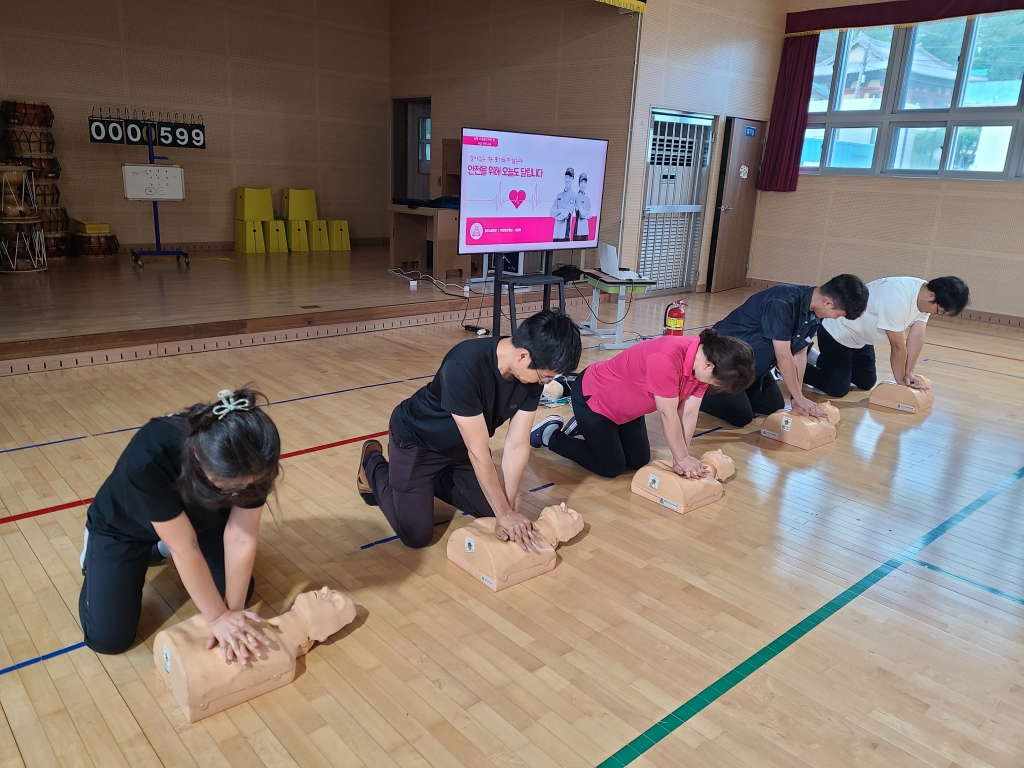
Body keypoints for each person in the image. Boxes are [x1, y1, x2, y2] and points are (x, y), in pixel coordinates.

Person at [79, 388, 281, 660]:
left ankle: (158, 549)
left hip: (199, 522)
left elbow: (241, 537)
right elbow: (185, 548)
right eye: (233, 485)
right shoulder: (151, 452)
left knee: (235, 598)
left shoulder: (257, 454)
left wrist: (231, 615)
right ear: (200, 459)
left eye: (251, 483)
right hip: (124, 528)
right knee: (108, 640)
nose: (244, 489)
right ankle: (97, 555)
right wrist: (217, 617)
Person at [358, 311, 582, 550]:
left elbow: (517, 445)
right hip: (419, 443)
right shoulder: (464, 365)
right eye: (545, 377)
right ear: (523, 355)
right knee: (416, 535)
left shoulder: (530, 375)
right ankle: (372, 463)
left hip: (460, 450)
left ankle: (429, 482)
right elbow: (478, 451)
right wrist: (504, 513)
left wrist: (507, 510)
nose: (545, 383)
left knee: (493, 510)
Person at [532, 329, 755, 479]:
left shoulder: (706, 363)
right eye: (716, 382)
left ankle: (584, 427)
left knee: (638, 461)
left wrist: (682, 458)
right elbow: (668, 414)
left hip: (628, 410)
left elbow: (687, 414)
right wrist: (682, 458)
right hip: (595, 399)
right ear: (709, 366)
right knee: (611, 468)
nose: (712, 386)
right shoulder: (667, 357)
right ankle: (550, 434)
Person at [700, 275, 869, 427]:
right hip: (725, 364)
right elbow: (783, 354)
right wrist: (799, 397)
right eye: (838, 315)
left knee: (772, 406)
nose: (835, 318)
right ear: (828, 303)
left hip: (752, 367)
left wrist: (797, 397)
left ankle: (736, 393)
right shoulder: (783, 301)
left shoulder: (815, 313)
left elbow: (800, 354)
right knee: (742, 417)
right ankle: (700, 390)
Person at [805, 276, 969, 397]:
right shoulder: (897, 297)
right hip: (838, 332)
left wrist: (909, 373)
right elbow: (898, 347)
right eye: (940, 311)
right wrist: (901, 380)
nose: (937, 314)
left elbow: (916, 337)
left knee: (866, 382)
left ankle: (811, 355)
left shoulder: (925, 298)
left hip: (862, 340)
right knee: (838, 388)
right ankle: (792, 367)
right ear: (932, 296)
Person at [550, 168, 575, 242]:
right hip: (555, 235)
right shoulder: (559, 195)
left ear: (572, 179)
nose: (567, 179)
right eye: (566, 177)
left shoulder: (572, 195)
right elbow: (551, 213)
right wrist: (561, 210)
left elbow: (565, 214)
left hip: (564, 235)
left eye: (569, 177)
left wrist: (557, 213)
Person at [573, 173, 592, 241]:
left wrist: (586, 213)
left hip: (586, 232)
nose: (583, 184)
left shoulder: (587, 198)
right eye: (582, 182)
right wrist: (586, 213)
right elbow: (582, 214)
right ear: (579, 183)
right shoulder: (577, 197)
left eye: (585, 182)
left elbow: (591, 214)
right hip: (578, 232)